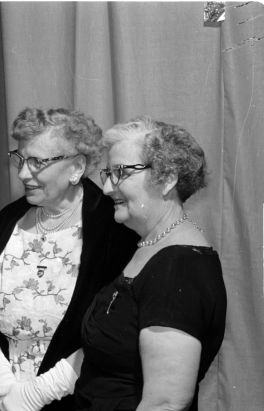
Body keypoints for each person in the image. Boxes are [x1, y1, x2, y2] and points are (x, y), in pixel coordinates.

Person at [0, 108, 138, 411]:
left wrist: (37, 394)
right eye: (20, 159)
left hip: (77, 400)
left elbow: (115, 333)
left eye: (37, 162)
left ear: (76, 167)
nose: (22, 173)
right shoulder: (8, 219)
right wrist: (4, 385)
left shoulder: (113, 228)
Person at [73, 117, 227, 411]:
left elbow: (165, 403)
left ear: (167, 179)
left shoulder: (179, 267)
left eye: (120, 173)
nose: (106, 187)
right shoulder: (149, 244)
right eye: (108, 173)